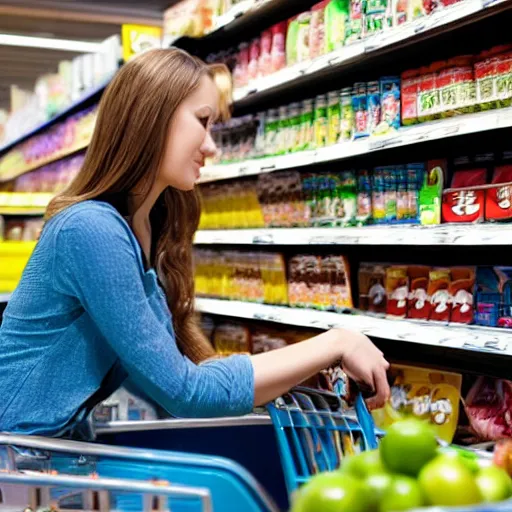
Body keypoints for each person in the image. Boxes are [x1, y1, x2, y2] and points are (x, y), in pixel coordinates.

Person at [0, 48, 390, 439]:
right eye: (202, 121)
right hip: (12, 461)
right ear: (150, 117)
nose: (211, 146)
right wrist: (337, 342)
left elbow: (190, 376)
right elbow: (187, 391)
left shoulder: (143, 228)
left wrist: (303, 368)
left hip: (41, 453)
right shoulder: (90, 230)